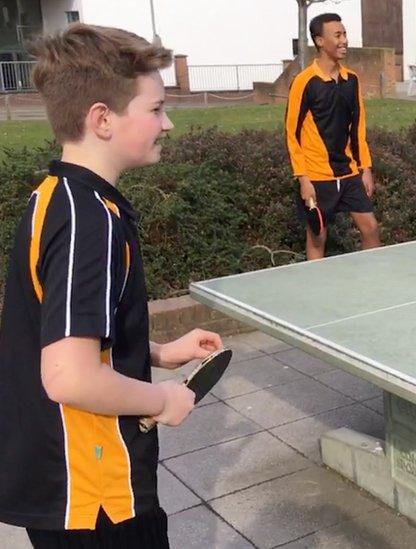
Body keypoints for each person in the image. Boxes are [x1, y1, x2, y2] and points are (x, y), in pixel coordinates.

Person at [0, 24, 223, 547]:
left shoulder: (58, 197)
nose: (167, 124)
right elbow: (69, 377)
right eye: (155, 109)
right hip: (96, 494)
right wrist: (160, 399)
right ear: (102, 118)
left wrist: (159, 351)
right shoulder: (88, 223)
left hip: (74, 489)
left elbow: (67, 337)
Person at [286, 12, 380, 260]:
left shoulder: (353, 80)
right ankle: (317, 294)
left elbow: (358, 127)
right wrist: (303, 178)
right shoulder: (303, 82)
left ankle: (371, 287)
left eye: (345, 34)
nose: (344, 40)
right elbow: (292, 134)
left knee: (371, 229)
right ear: (319, 41)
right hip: (316, 176)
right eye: (337, 35)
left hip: (349, 173)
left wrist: (366, 167)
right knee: (317, 238)